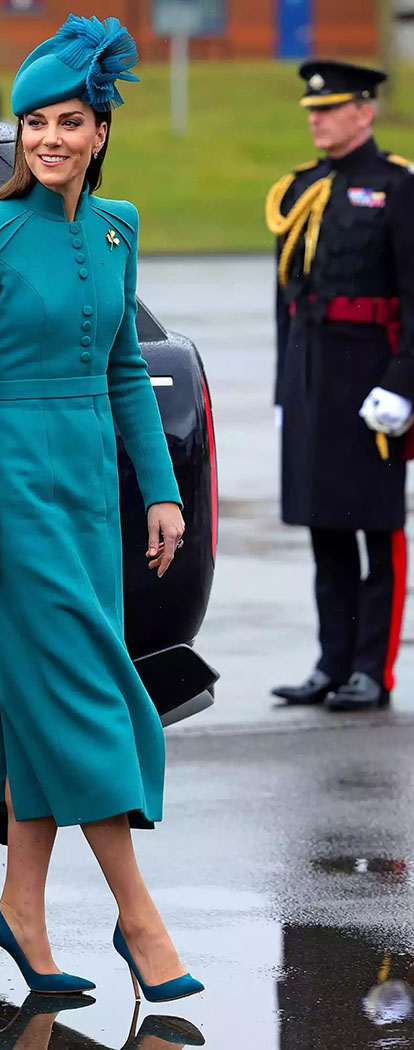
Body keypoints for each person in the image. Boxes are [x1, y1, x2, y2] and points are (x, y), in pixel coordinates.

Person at [0, 14, 203, 1003]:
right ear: (20, 133)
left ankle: (23, 912)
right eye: (35, 120)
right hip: (17, 491)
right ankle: (142, 921)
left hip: (92, 489)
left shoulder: (118, 224)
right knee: (89, 696)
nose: (50, 136)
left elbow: (128, 367)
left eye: (71, 121)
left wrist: (161, 493)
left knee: (42, 698)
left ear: (99, 134)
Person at [266, 60, 414, 712]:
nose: (316, 118)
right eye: (311, 111)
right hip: (312, 378)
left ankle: (371, 670)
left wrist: (403, 385)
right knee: (325, 526)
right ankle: (331, 662)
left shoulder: (398, 188)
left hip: (371, 384)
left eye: (330, 109)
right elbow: (286, 302)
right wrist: (282, 392)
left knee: (375, 528)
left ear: (365, 111)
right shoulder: (301, 190)